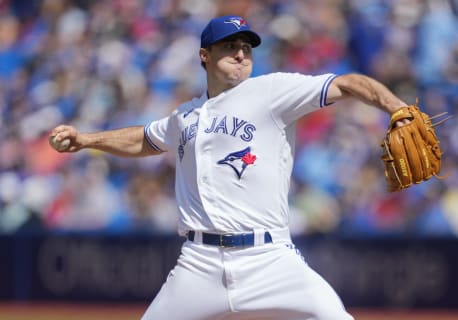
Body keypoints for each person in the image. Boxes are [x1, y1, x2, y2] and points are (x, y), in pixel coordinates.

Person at [50, 15, 409, 320]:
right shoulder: (185, 114)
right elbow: (145, 139)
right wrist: (86, 140)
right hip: (198, 263)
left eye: (247, 48)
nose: (240, 54)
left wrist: (398, 109)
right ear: (204, 56)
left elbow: (347, 83)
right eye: (229, 46)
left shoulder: (272, 92)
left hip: (268, 257)